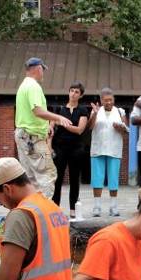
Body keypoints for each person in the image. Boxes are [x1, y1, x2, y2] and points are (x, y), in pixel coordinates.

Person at [15, 57, 72, 197]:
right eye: (43, 70)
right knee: (47, 175)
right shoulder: (34, 86)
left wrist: (46, 125)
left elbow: (29, 114)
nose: (43, 74)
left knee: (31, 179)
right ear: (39, 68)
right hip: (32, 138)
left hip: (23, 135)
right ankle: (43, 213)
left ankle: (31, 212)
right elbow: (37, 111)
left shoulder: (23, 86)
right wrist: (58, 118)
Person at [87, 87, 128, 217]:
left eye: (110, 100)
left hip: (114, 148)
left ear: (114, 99)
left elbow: (126, 132)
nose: (108, 102)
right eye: (105, 100)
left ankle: (113, 207)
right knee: (97, 179)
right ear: (101, 100)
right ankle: (97, 207)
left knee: (113, 178)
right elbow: (90, 127)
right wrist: (94, 113)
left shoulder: (120, 112)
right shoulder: (96, 112)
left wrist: (121, 127)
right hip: (98, 148)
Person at [51, 81, 89, 218]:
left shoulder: (83, 110)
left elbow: (79, 130)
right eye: (71, 90)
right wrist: (51, 128)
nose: (73, 94)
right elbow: (51, 127)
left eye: (76, 92)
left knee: (74, 179)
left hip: (76, 149)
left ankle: (73, 209)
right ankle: (55, 207)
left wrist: (63, 123)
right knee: (58, 179)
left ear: (81, 95)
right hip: (60, 148)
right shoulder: (59, 109)